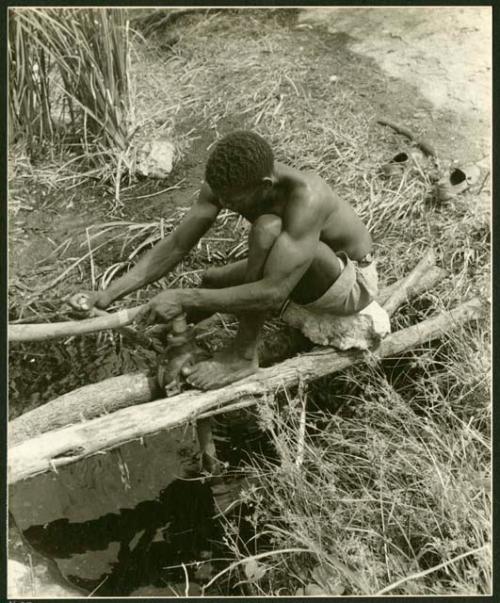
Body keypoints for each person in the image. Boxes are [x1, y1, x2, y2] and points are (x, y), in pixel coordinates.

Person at [69, 130, 377, 390]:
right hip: (297, 269)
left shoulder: (308, 197)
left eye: (232, 201)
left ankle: (243, 356)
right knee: (212, 280)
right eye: (221, 197)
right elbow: (177, 244)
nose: (224, 205)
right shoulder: (226, 184)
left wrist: (182, 296)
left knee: (266, 229)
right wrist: (108, 294)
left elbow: (273, 292)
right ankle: (177, 338)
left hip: (350, 284)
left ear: (265, 186)